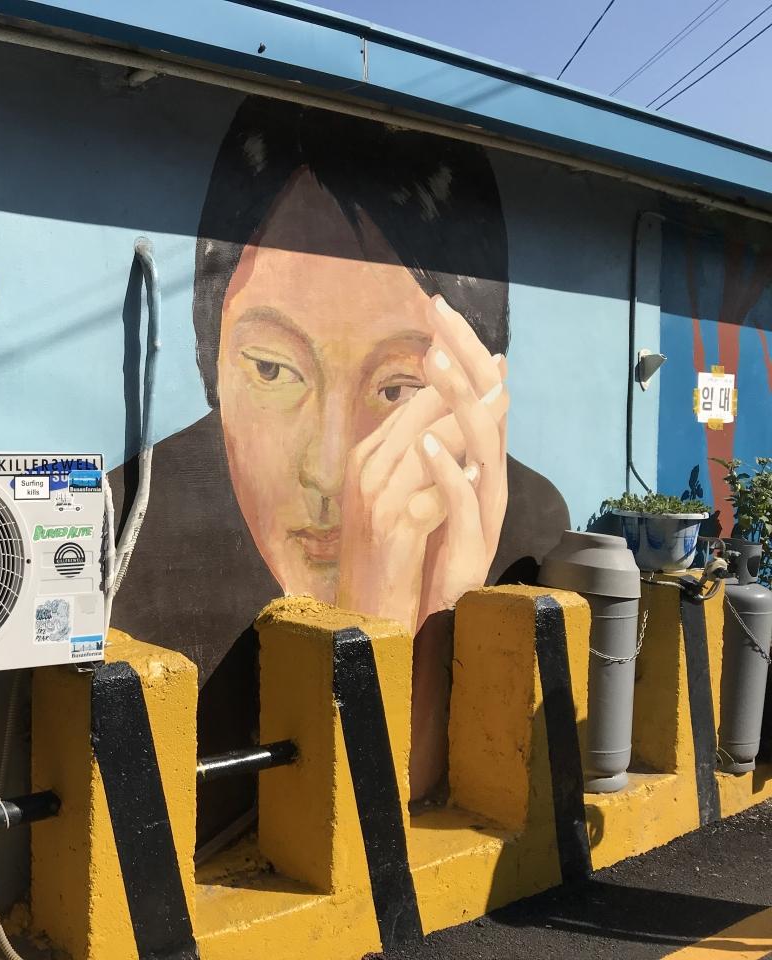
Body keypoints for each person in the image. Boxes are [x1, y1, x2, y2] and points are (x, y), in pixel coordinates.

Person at [112, 96, 569, 831]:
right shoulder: (117, 539)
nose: (330, 473)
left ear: (476, 396)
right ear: (213, 364)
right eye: (272, 370)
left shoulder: (534, 523)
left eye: (398, 389)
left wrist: (443, 618)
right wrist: (369, 626)